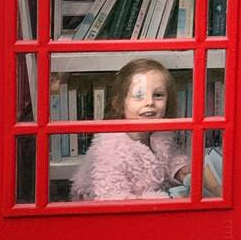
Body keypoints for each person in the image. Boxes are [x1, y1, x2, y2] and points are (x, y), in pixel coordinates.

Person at [70, 59, 190, 201]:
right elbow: (112, 200)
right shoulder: (111, 149)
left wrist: (180, 171)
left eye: (158, 95)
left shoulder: (159, 136)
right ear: (119, 103)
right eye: (139, 96)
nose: (149, 102)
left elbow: (170, 158)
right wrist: (165, 201)